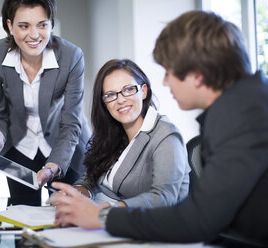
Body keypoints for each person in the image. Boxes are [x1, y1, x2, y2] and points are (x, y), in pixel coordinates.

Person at [49, 10, 268, 247]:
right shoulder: (251, 102)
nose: (166, 82)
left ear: (197, 75)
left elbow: (200, 218)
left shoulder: (243, 116)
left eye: (169, 72)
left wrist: (101, 216)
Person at [0, 0, 91, 206]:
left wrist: (52, 167)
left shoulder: (71, 56)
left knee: (66, 222)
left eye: (42, 24)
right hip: (19, 147)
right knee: (24, 220)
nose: (34, 35)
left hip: (65, 147)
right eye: (24, 26)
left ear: (51, 23)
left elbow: (71, 123)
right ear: (9, 26)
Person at [69, 59, 190, 208]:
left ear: (144, 91)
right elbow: (93, 176)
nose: (120, 100)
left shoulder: (166, 135)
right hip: (100, 221)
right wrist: (79, 192)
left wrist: (105, 210)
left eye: (128, 89)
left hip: (145, 225)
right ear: (104, 103)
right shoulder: (113, 132)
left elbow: (164, 196)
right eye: (110, 95)